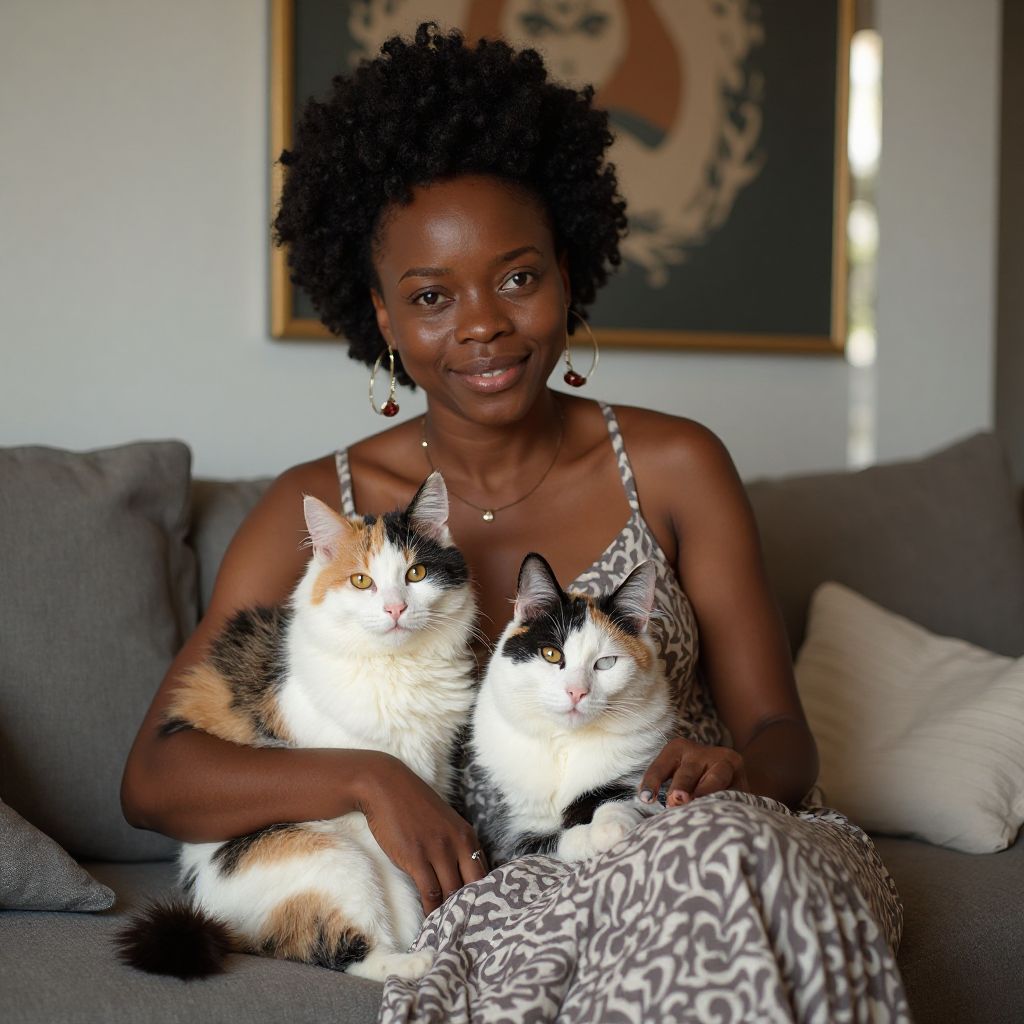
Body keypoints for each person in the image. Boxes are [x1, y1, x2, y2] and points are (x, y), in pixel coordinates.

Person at [122, 24, 909, 1021]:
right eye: (431, 296)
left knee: (731, 863)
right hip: (508, 887)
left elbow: (781, 734)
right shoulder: (315, 509)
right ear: (382, 317)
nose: (483, 323)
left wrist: (738, 772)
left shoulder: (675, 466)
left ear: (568, 274)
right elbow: (155, 774)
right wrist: (370, 780)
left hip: (721, 842)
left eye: (518, 277)